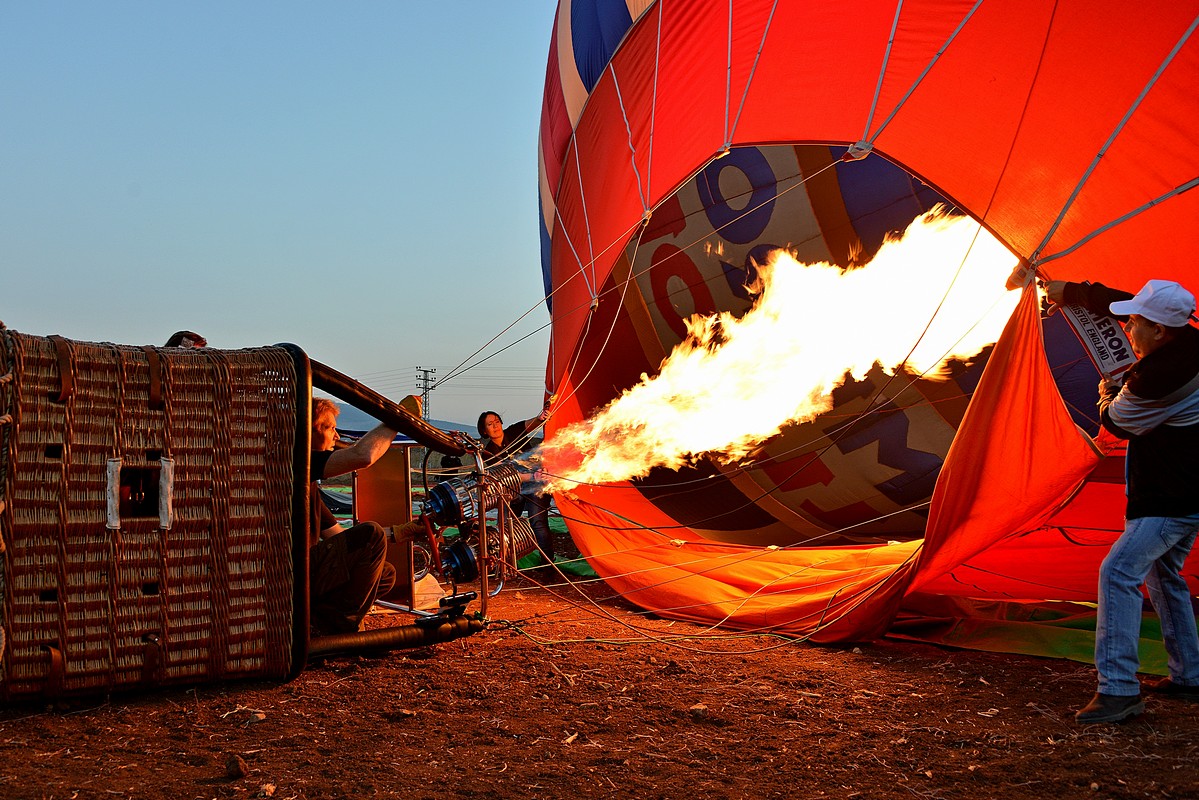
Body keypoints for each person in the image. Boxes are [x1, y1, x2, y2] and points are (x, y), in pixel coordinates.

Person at [1045, 279, 1199, 723]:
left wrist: (1107, 391)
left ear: (1158, 331)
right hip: (1187, 486)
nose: (1127, 326)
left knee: (1117, 572)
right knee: (1163, 574)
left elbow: (1117, 422)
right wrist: (1068, 291)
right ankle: (1190, 676)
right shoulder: (1188, 337)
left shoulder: (1158, 381)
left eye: (1135, 322)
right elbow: (1119, 300)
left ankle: (1118, 691)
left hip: (1172, 497)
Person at [309, 398, 397, 634]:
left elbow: (336, 536)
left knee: (385, 573)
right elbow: (363, 456)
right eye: (330, 428)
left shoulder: (309, 486)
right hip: (290, 571)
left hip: (307, 570)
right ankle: (340, 627)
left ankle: (318, 619)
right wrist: (397, 419)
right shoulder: (298, 460)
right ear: (309, 430)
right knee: (371, 534)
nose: (336, 436)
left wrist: (401, 532)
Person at [477, 400, 555, 566]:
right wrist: (531, 477)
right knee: (505, 523)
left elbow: (532, 424)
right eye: (490, 424)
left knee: (538, 522)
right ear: (484, 431)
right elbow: (506, 476)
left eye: (497, 421)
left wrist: (541, 417)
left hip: (537, 483)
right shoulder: (487, 453)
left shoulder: (513, 432)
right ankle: (505, 563)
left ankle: (548, 565)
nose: (495, 426)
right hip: (514, 489)